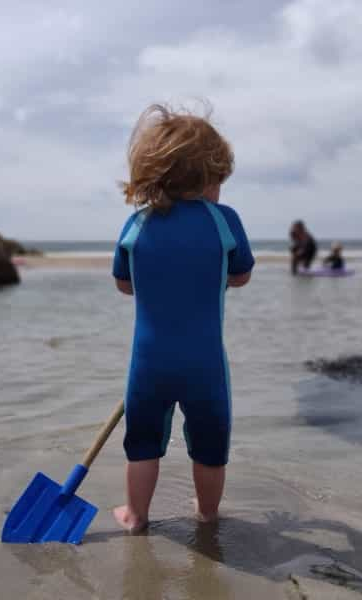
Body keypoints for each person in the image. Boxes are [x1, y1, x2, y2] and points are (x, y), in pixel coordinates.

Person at [112, 105, 254, 533]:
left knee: (141, 444)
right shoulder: (223, 221)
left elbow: (125, 284)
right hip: (204, 363)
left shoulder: (137, 224)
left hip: (148, 363)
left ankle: (136, 516)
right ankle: (207, 515)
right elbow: (241, 275)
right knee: (210, 444)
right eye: (219, 182)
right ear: (207, 178)